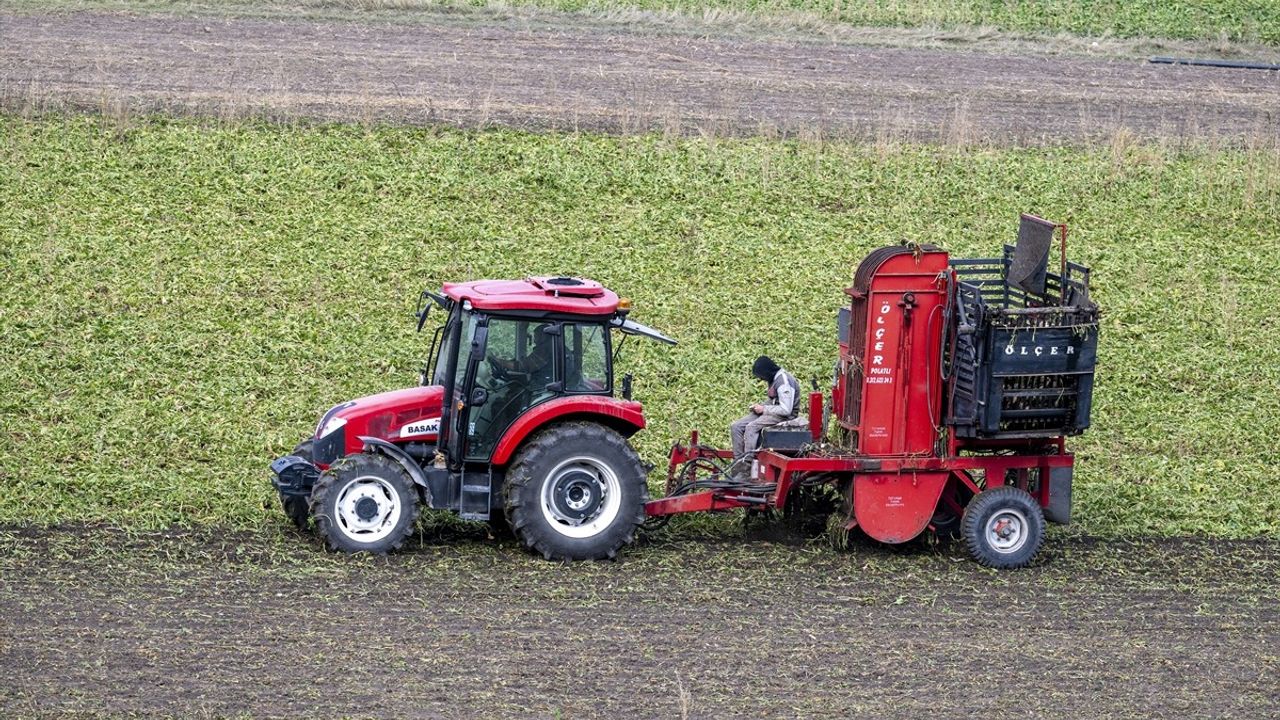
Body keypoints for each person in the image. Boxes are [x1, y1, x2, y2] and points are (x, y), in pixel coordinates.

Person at [730, 355, 800, 469]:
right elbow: (773, 400)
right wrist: (761, 406)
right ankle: (738, 463)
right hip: (773, 411)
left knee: (751, 427)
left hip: (784, 416)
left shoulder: (783, 382)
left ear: (767, 372)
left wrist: (764, 409)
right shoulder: (773, 379)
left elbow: (786, 410)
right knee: (736, 426)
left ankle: (748, 463)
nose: (761, 379)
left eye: (761, 376)